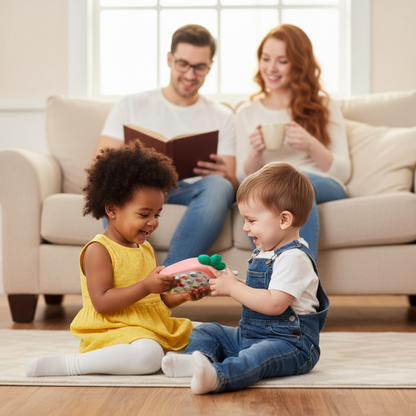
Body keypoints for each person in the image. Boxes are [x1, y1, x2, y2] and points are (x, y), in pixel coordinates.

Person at [26, 141, 209, 377]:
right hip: (113, 329)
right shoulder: (99, 250)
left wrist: (185, 296)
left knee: (209, 332)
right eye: (144, 214)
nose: (153, 222)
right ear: (112, 210)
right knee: (148, 356)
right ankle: (71, 364)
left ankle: (182, 364)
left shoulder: (145, 249)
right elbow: (102, 302)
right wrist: (145, 285)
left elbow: (157, 302)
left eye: (157, 214)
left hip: (149, 326)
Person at [161, 161, 330, 394]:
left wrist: (233, 289)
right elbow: (260, 293)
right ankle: (194, 361)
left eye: (251, 221)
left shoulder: (294, 258)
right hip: (250, 335)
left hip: (291, 345)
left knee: (256, 357)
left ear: (283, 220)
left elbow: (274, 303)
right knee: (207, 330)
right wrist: (227, 281)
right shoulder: (266, 252)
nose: (245, 228)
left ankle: (217, 376)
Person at [97, 24, 237, 266]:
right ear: (170, 59)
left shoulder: (223, 116)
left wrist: (224, 175)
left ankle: (169, 276)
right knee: (111, 188)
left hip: (189, 190)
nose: (191, 75)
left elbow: (233, 185)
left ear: (210, 66)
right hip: (138, 190)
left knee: (219, 186)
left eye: (200, 67)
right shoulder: (132, 105)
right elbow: (100, 164)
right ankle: (138, 271)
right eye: (183, 64)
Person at [235, 24, 351, 261]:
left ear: (299, 64)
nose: (271, 68)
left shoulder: (325, 107)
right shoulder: (247, 112)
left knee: (298, 184)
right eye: (266, 59)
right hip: (270, 191)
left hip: (321, 183)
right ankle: (282, 289)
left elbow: (343, 173)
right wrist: (256, 153)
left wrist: (310, 144)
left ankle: (297, 284)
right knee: (275, 194)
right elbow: (242, 180)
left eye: (282, 61)